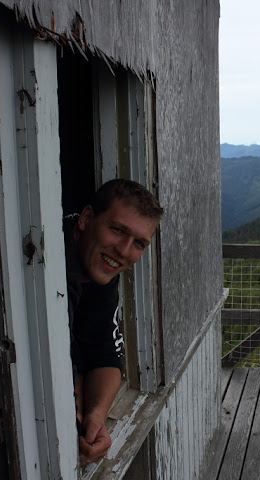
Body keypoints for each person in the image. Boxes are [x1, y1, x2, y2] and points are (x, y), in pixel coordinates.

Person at [63, 179, 163, 465]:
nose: (123, 251)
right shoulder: (47, 262)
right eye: (118, 230)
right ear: (85, 219)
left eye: (139, 244)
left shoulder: (101, 270)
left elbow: (104, 353)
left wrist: (94, 416)